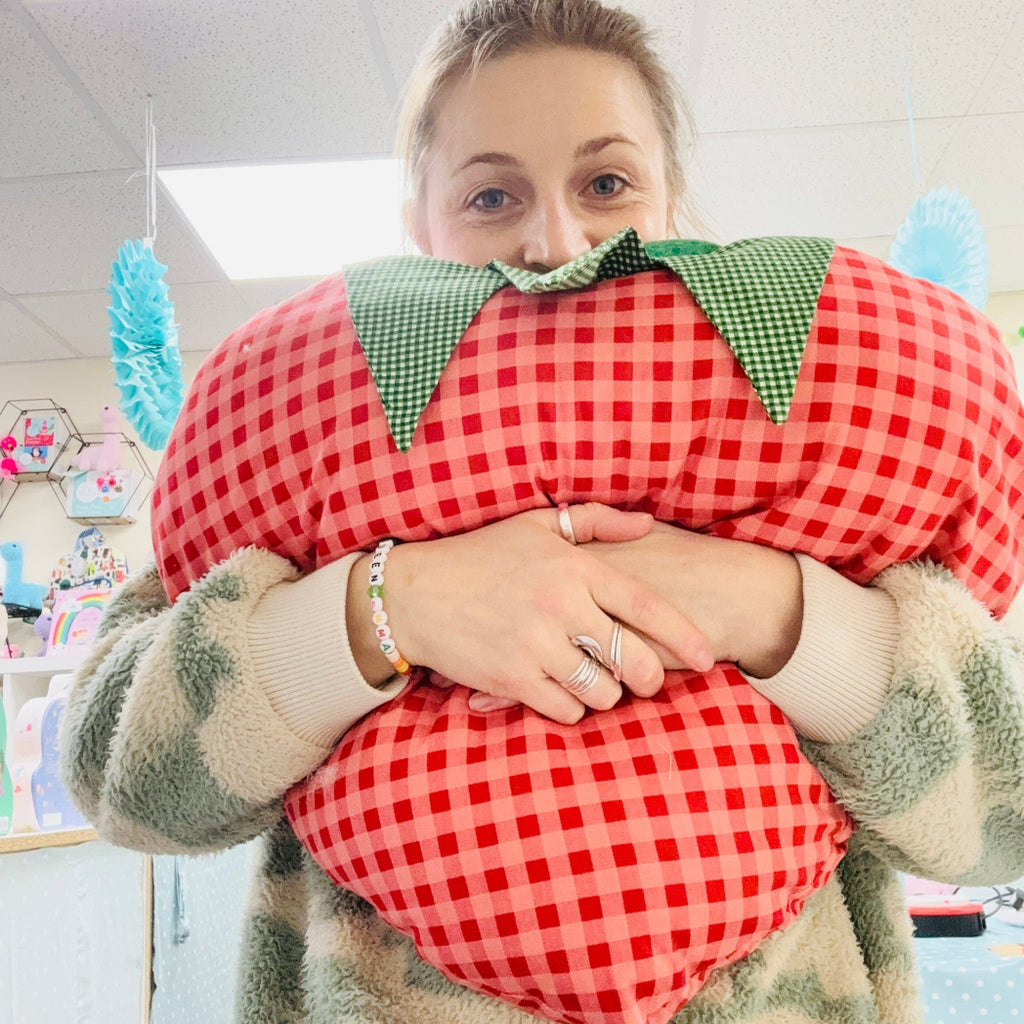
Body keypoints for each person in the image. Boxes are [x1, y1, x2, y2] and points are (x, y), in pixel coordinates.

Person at [61, 2, 1024, 1023]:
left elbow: (1004, 812)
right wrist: (384, 607)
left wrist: (776, 608)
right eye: (490, 193)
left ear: (671, 198)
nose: (554, 238)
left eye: (605, 182)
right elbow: (116, 772)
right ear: (418, 227)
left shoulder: (818, 465)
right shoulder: (311, 457)